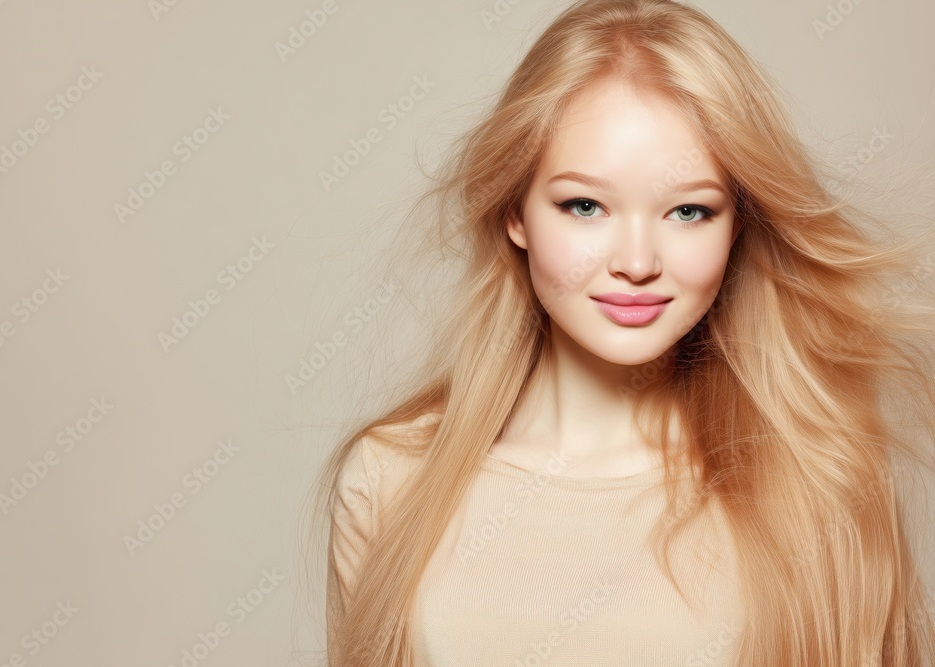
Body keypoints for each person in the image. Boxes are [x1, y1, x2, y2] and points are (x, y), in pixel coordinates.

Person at [306, 0, 935, 664]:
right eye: (585, 205)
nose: (637, 262)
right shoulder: (393, 478)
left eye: (687, 211)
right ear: (515, 211)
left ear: (738, 224)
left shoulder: (818, 484)